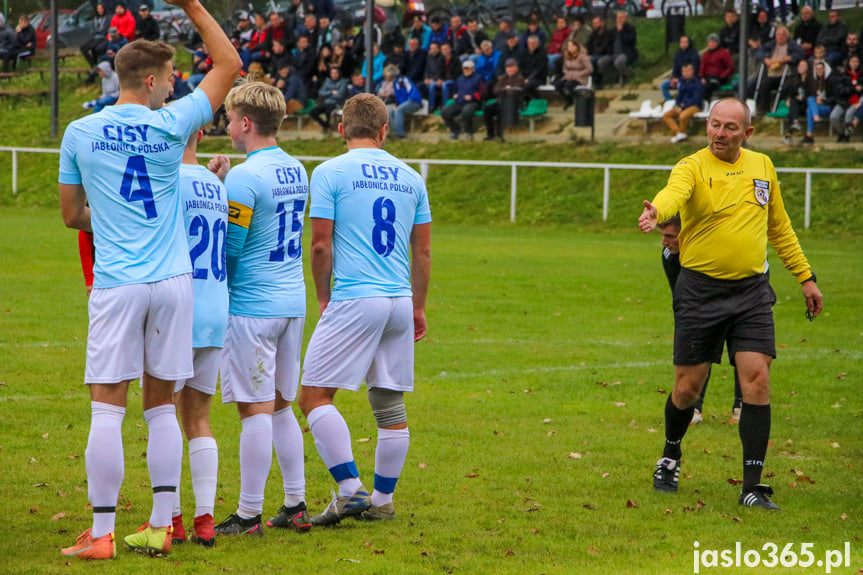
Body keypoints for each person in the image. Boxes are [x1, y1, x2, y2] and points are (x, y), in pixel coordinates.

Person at [58, 0, 241, 559]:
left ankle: (103, 531)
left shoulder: (80, 131)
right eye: (169, 81)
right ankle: (162, 525)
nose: (172, 89)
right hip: (173, 283)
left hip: (118, 280)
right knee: (162, 406)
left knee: (108, 407)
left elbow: (71, 215)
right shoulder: (172, 124)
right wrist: (190, 5)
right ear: (155, 80)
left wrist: (109, 218)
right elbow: (230, 63)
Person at [638, 98, 823, 510]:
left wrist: (805, 278)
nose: (720, 133)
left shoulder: (763, 167)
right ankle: (670, 455)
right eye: (714, 125)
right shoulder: (692, 166)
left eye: (730, 128)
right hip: (700, 291)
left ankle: (752, 488)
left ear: (748, 133)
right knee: (687, 390)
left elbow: (780, 227)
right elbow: (673, 194)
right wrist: (658, 211)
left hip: (752, 293)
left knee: (757, 379)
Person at [298, 92, 431, 525]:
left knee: (314, 395)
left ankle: (350, 489)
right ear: (384, 130)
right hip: (398, 298)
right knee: (389, 405)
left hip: (357, 295)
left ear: (341, 129)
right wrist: (418, 306)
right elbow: (423, 253)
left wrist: (323, 295)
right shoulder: (411, 177)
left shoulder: (330, 171)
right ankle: (382, 500)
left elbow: (320, 245)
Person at [214, 82, 312, 537]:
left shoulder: (245, 177)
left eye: (231, 119)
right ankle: (295, 503)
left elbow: (232, 247)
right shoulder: (297, 168)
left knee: (254, 410)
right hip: (292, 302)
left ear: (247, 123)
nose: (227, 126)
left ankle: (249, 513)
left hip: (253, 305)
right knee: (280, 407)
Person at [168, 130, 230, 548]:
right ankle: (205, 521)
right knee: (199, 417)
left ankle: (170, 519)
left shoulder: (165, 177)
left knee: (163, 414)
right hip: (215, 306)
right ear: (202, 133)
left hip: (176, 306)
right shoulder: (216, 185)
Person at [657, 214, 743, 424]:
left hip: (737, 296)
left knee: (743, 350)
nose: (664, 241)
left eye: (670, 236)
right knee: (699, 348)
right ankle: (694, 410)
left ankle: (742, 408)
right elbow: (679, 292)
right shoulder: (669, 254)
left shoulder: (714, 247)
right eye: (662, 235)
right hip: (699, 303)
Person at [483, 58, 525, 141]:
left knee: (501, 111)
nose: (509, 69)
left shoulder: (520, 78)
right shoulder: (502, 78)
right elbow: (495, 90)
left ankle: (500, 135)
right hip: (500, 101)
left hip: (514, 103)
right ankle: (490, 134)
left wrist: (504, 89)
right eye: (507, 67)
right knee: (487, 109)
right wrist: (505, 89)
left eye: (511, 66)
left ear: (516, 68)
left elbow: (515, 91)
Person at [442, 59, 483, 140]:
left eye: (468, 68)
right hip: (459, 101)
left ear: (473, 69)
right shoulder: (460, 78)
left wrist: (472, 97)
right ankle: (456, 130)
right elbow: (454, 88)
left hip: (472, 102)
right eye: (464, 68)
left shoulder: (479, 78)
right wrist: (454, 94)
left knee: (466, 112)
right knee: (445, 113)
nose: (466, 70)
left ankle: (469, 131)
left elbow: (482, 92)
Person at [663, 63, 703, 143]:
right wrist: (677, 106)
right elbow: (679, 97)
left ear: (692, 71)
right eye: (684, 71)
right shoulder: (682, 83)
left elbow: (696, 99)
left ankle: (683, 133)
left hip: (694, 106)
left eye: (687, 71)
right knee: (666, 115)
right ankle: (678, 133)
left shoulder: (697, 83)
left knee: (683, 116)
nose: (685, 73)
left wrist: (683, 108)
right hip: (682, 106)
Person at [598, 11, 637, 88]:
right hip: (613, 53)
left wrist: (621, 31)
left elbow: (631, 41)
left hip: (625, 53)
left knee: (618, 62)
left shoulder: (630, 29)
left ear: (626, 19)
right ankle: (614, 77)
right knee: (601, 62)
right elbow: (608, 42)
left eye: (621, 18)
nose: (618, 20)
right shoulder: (613, 30)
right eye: (617, 18)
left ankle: (626, 75)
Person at [553, 39, 592, 110]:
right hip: (569, 76)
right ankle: (569, 100)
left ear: (577, 46)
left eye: (572, 46)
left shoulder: (582, 56)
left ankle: (579, 99)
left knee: (568, 85)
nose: (571, 48)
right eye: (569, 46)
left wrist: (579, 74)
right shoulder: (567, 56)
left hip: (580, 77)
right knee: (558, 85)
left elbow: (589, 69)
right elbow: (564, 68)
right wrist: (567, 73)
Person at [661, 36, 700, 103]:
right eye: (681, 42)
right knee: (663, 85)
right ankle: (669, 102)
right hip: (677, 79)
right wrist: (673, 78)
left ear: (689, 43)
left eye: (685, 42)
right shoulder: (678, 54)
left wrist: (680, 79)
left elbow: (693, 70)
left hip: (688, 79)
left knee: (680, 85)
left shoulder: (694, 54)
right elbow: (675, 68)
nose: (683, 44)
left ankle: (680, 102)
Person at [387, 65, 423, 139]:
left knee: (398, 110)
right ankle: (393, 131)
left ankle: (399, 134)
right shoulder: (395, 82)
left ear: (390, 75)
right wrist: (397, 103)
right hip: (405, 102)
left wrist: (399, 104)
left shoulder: (402, 81)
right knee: (388, 109)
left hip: (414, 101)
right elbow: (399, 97)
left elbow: (408, 94)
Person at [311, 66, 349, 132]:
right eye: (332, 73)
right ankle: (325, 125)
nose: (334, 75)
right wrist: (331, 92)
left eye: (335, 73)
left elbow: (340, 95)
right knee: (313, 112)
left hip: (337, 104)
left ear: (339, 73)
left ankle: (329, 128)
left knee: (328, 111)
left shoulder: (343, 82)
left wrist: (327, 95)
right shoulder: (327, 81)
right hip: (326, 103)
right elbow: (320, 93)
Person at [699, 34, 733, 102]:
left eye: (713, 42)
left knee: (707, 87)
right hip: (707, 78)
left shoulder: (724, 53)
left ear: (718, 43)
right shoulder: (705, 54)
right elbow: (702, 67)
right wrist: (701, 77)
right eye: (710, 42)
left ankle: (706, 103)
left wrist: (722, 76)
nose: (711, 44)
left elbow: (730, 67)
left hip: (718, 78)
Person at [80, 4, 112, 70]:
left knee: (95, 48)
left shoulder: (108, 18)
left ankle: (95, 66)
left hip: (102, 37)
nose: (100, 10)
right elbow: (92, 29)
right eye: (98, 9)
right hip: (94, 37)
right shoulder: (95, 18)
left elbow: (106, 29)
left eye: (101, 8)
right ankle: (93, 65)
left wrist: (99, 31)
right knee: (83, 48)